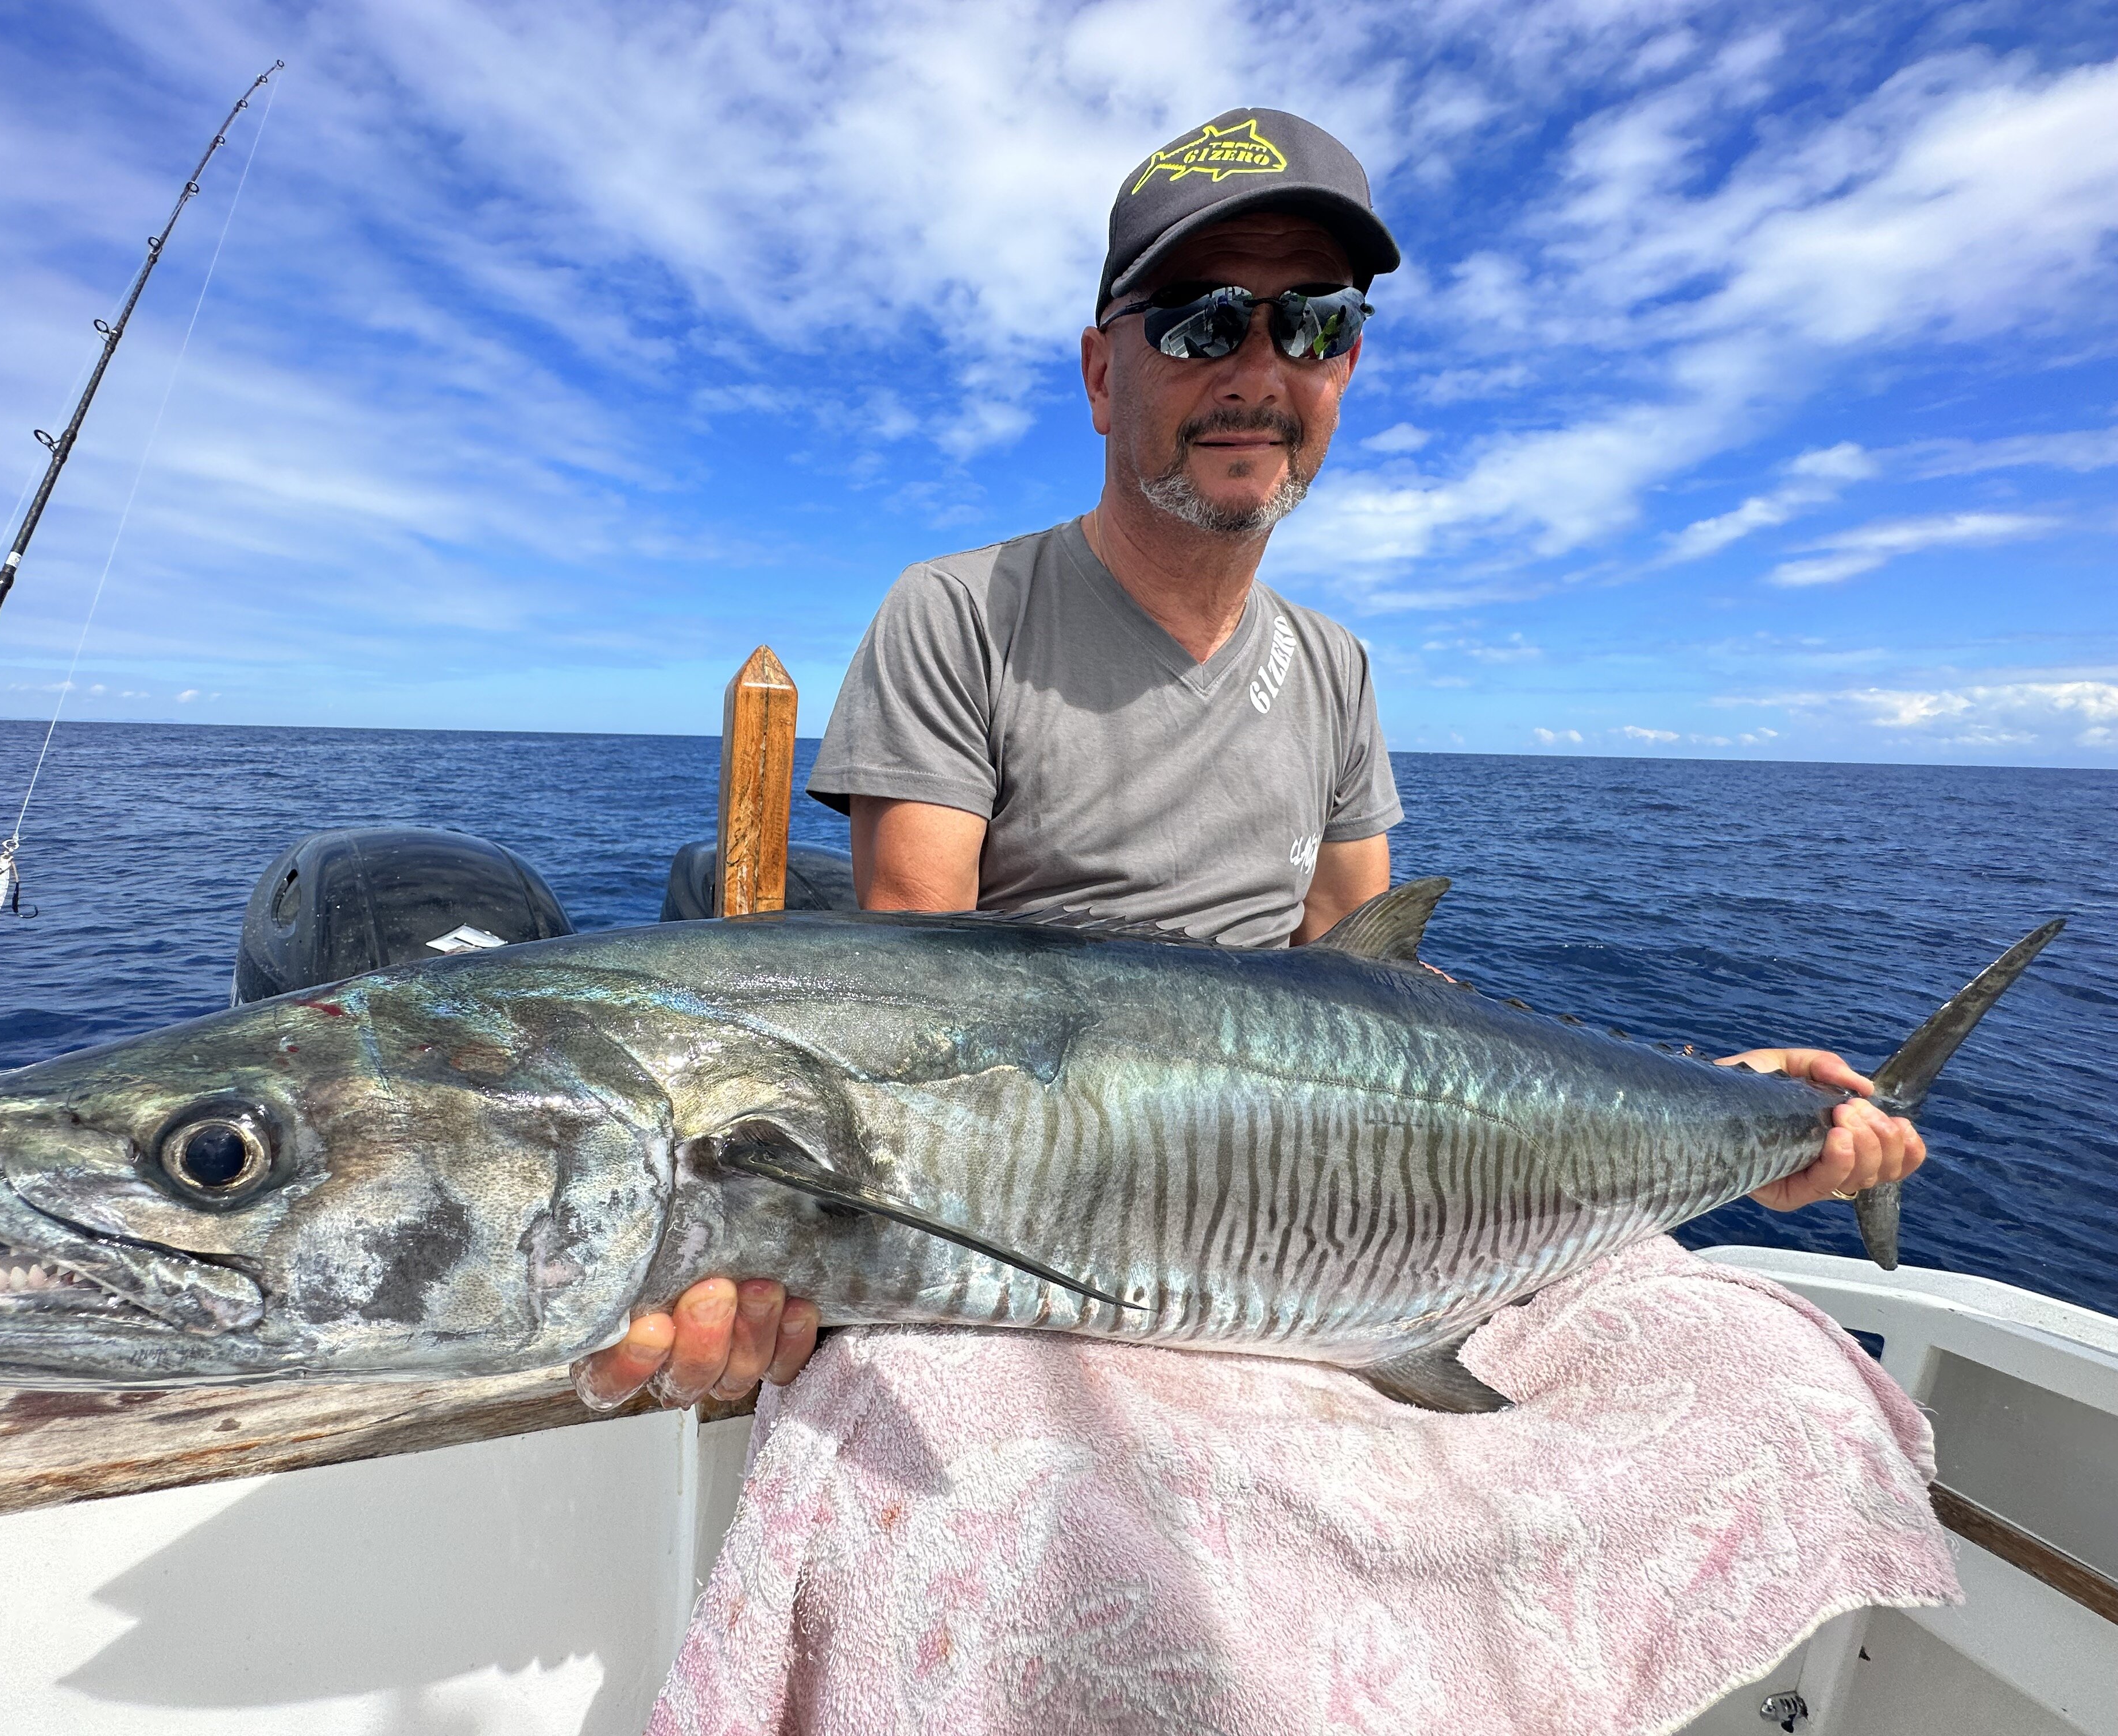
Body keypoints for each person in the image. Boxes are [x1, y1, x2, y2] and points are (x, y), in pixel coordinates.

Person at [573, 107, 1926, 1413]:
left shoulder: (1335, 666)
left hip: (1314, 1230)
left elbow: (1377, 996)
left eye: (1315, 322)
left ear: (1346, 371)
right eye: (1202, 319)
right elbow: (921, 1032)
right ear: (1102, 372)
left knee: (1794, 1401)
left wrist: (1727, 1102)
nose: (1258, 370)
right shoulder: (960, 611)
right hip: (1022, 1245)